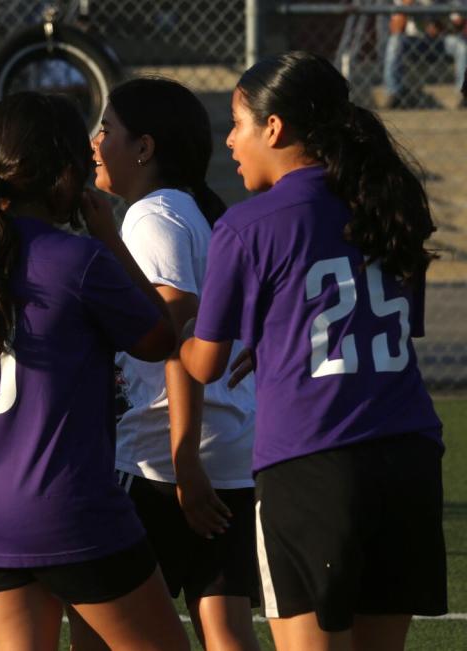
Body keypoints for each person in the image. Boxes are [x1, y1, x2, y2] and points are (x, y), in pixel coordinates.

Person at [180, 51, 446, 651]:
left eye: (238, 122)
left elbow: (204, 363)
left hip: (313, 465)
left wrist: (172, 325)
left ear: (274, 128)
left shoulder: (248, 225)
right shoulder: (391, 204)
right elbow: (376, 331)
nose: (230, 141)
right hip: (408, 459)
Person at [0, 91, 189, 651]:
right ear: (67, 176)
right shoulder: (79, 260)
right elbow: (162, 337)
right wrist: (109, 237)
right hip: (64, 505)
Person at [68, 77, 259, 651]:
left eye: (106, 130)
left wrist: (184, 464)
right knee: (224, 629)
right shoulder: (188, 211)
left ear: (144, 148)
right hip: (222, 449)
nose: (95, 142)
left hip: (166, 463)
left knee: (101, 627)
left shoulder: (152, 216)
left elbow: (177, 330)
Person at [383, 0, 467, 108]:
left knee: (461, 46)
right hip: (414, 41)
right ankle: (394, 93)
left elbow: (458, 22)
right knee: (394, 42)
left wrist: (440, 24)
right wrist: (405, 7)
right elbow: (395, 29)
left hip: (439, 41)